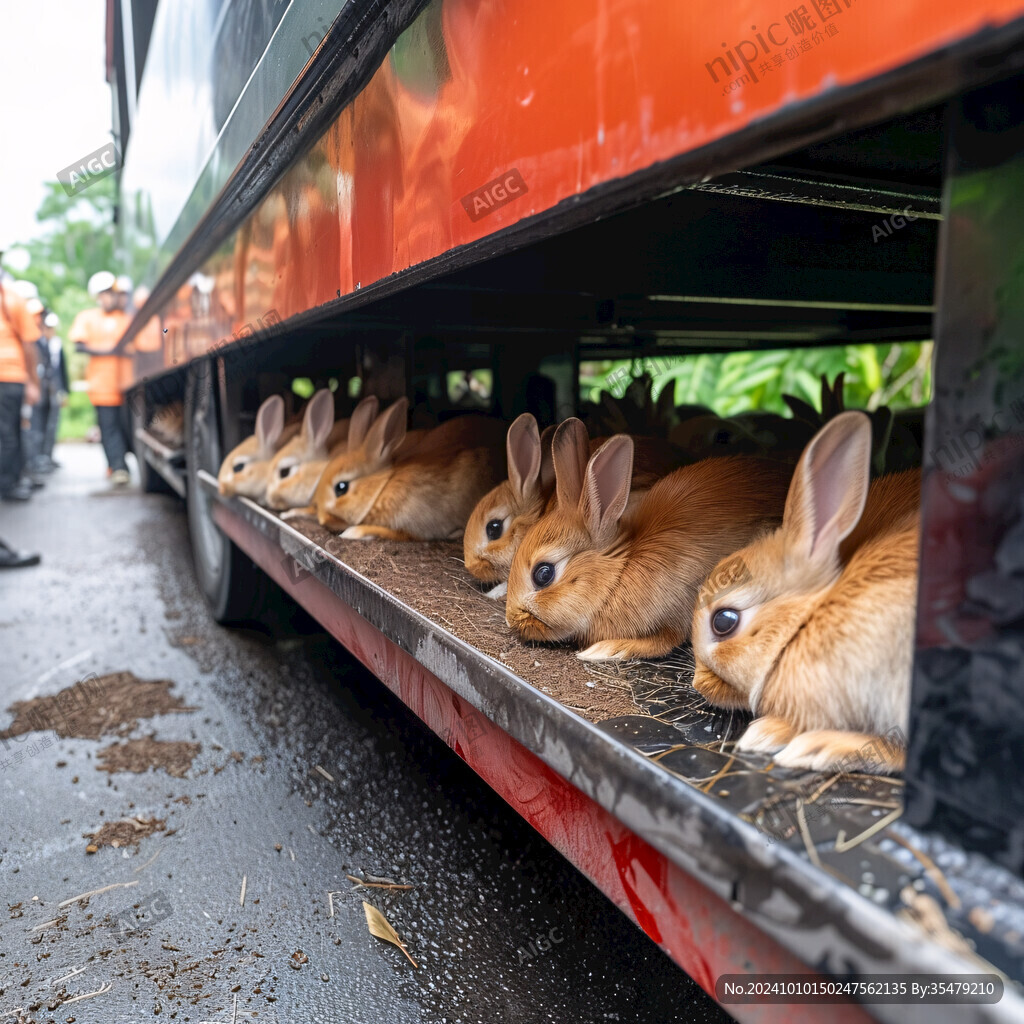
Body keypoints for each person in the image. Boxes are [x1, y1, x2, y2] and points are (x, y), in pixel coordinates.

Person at [70, 271, 133, 485]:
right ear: (97, 296)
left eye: (111, 293)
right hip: (102, 385)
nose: (108, 298)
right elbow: (79, 344)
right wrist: (110, 352)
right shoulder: (88, 318)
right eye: (103, 294)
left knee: (127, 426)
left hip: (128, 384)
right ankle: (118, 468)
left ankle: (121, 463)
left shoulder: (127, 318)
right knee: (109, 427)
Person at [0, 263, 42, 568]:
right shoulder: (11, 296)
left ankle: (11, 480)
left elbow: (28, 343)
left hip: (9, 379)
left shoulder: (9, 298)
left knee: (9, 438)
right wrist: (32, 382)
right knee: (8, 439)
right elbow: (30, 344)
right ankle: (9, 481)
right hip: (10, 379)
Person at [27, 310, 69, 473]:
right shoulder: (36, 343)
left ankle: (47, 456)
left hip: (53, 390)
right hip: (40, 390)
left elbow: (62, 370)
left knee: (52, 425)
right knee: (37, 425)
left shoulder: (56, 345)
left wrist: (64, 390)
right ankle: (37, 458)